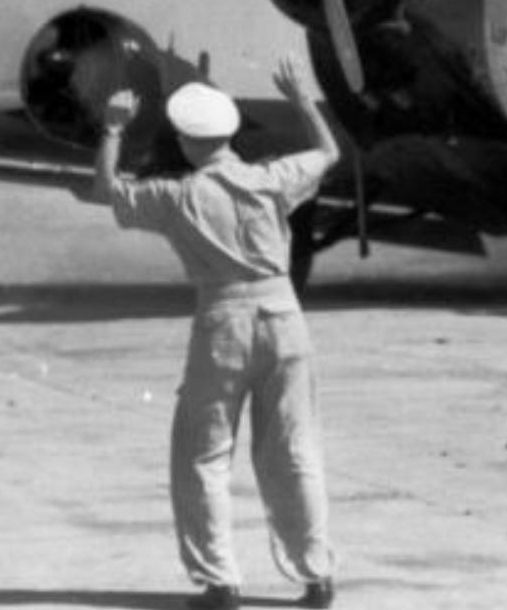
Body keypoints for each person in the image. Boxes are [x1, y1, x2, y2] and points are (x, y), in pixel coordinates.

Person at [84, 60, 340, 610]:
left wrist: (112, 128)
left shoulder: (177, 197)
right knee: (294, 450)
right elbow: (329, 154)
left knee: (203, 456)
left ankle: (219, 584)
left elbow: (107, 189)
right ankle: (317, 579)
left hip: (224, 323)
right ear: (230, 134)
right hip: (285, 317)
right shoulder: (272, 179)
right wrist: (301, 100)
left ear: (184, 139)